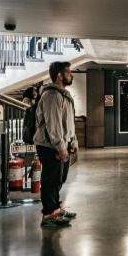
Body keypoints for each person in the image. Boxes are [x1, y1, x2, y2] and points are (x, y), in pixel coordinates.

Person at [34, 62, 78, 228]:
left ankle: (56, 210)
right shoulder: (52, 95)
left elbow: (68, 122)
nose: (71, 75)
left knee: (59, 178)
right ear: (60, 75)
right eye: (68, 72)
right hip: (50, 145)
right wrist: (60, 146)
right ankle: (48, 215)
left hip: (61, 143)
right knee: (50, 180)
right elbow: (54, 124)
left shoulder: (63, 95)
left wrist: (73, 141)